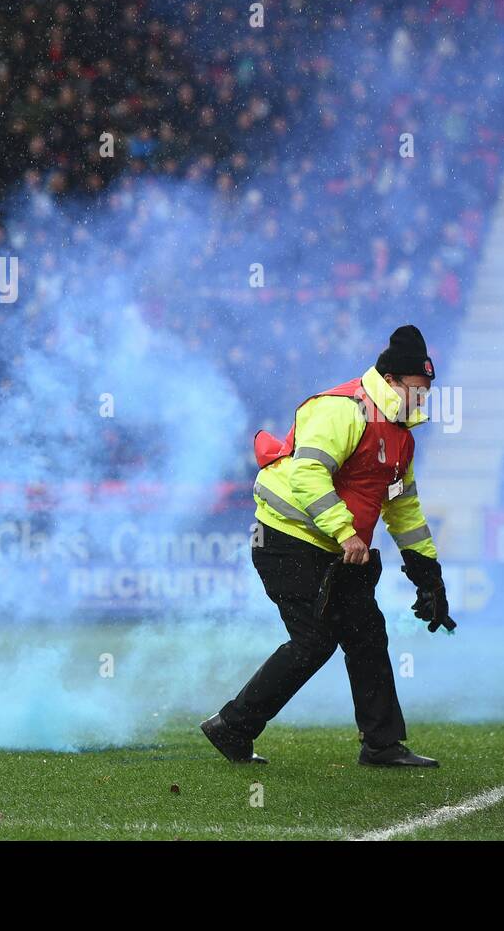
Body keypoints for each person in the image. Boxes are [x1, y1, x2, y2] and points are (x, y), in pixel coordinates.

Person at [202, 325, 454, 767]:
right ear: (391, 380)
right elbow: (307, 474)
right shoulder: (343, 409)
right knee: (314, 642)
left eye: (427, 391)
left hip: (338, 551)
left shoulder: (401, 437)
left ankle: (381, 744)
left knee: (367, 635)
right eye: (417, 389)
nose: (423, 399)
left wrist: (429, 578)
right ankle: (232, 726)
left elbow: (404, 511)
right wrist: (345, 531)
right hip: (286, 540)